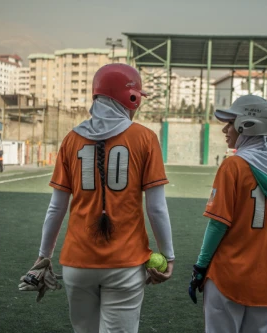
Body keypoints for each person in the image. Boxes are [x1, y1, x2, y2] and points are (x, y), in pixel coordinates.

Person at [21, 63, 175, 332]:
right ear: (132, 97)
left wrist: (43, 255)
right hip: (125, 262)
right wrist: (168, 255)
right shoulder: (145, 138)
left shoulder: (71, 139)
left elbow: (56, 208)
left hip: (77, 263)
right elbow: (157, 209)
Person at [189, 95, 267, 333]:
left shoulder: (234, 166)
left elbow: (218, 225)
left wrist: (200, 268)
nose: (224, 129)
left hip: (228, 277)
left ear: (246, 125)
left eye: (230, 123)